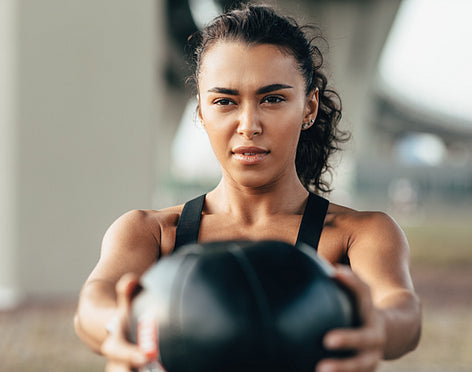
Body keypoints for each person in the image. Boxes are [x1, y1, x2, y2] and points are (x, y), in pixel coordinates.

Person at [74, 4, 421, 372]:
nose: (249, 125)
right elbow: (92, 305)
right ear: (201, 112)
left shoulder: (359, 234)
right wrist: (122, 326)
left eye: (272, 99)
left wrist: (377, 326)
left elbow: (402, 309)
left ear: (309, 107)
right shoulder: (152, 232)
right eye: (225, 101)